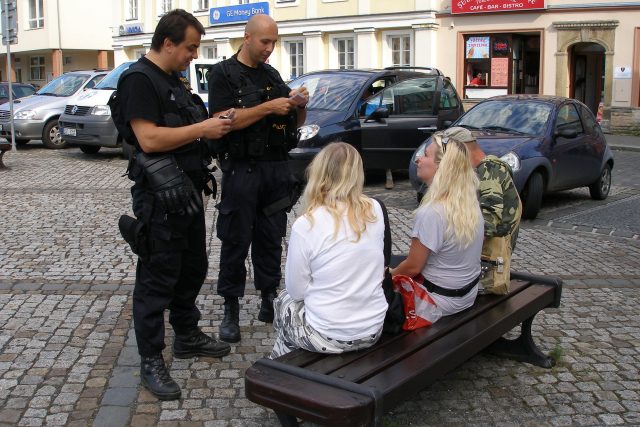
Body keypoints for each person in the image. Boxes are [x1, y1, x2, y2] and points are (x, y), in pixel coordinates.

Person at [115, 9, 234, 401]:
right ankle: (151, 358)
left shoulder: (174, 81)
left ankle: (186, 334)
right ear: (167, 43)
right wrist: (203, 128)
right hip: (160, 200)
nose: (193, 55)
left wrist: (213, 123)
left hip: (187, 193)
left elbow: (184, 130)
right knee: (156, 280)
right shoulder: (138, 80)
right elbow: (147, 139)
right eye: (190, 47)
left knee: (192, 268)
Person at [207, 14, 309, 343]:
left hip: (275, 169)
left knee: (270, 237)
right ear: (247, 37)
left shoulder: (271, 75)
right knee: (235, 240)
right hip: (241, 170)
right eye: (265, 41)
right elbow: (221, 121)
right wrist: (268, 107)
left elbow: (293, 122)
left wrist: (299, 104)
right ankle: (231, 306)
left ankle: (268, 298)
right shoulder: (222, 74)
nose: (270, 48)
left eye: (274, 42)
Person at [270, 142, 388, 358]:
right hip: (373, 328)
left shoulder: (307, 224)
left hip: (328, 334)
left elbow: (296, 290)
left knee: (284, 301)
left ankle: (279, 364)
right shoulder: (375, 209)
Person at [390, 134, 484, 316]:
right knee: (395, 261)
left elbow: (413, 267)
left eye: (425, 155)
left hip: (437, 301)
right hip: (466, 295)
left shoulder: (432, 212)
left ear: (442, 166)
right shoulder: (468, 202)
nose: (418, 159)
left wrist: (386, 279)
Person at [439, 126, 521, 249]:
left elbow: (488, 220)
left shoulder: (489, 169)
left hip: (490, 251)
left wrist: (460, 252)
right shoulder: (479, 170)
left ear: (460, 149)